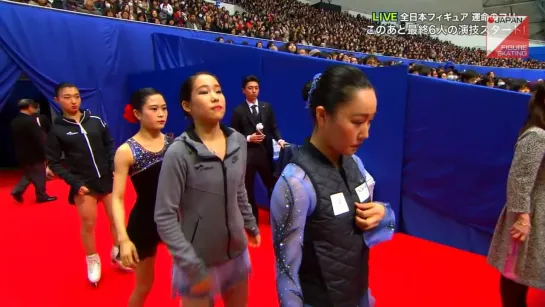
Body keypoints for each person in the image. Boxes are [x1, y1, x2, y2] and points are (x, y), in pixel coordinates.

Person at [271, 65, 395, 307]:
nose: (365, 133)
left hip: (358, 295)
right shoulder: (295, 183)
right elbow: (286, 273)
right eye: (357, 122)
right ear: (322, 115)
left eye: (370, 121)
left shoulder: (355, 165)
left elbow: (370, 233)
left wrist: (383, 214)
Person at [155, 72, 260, 307]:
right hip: (197, 262)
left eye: (218, 90)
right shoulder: (179, 152)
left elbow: (239, 188)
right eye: (204, 92)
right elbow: (164, 216)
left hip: (236, 254)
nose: (215, 97)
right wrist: (190, 265)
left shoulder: (238, 142)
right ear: (186, 106)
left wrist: (250, 224)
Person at [45, 82, 131, 287]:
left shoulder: (96, 120)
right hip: (83, 185)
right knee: (88, 225)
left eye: (76, 96)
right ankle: (92, 260)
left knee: (117, 220)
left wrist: (113, 165)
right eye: (67, 97)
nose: (73, 101)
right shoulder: (57, 130)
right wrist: (74, 182)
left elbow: (109, 144)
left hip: (106, 180)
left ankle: (118, 252)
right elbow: (54, 162)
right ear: (57, 100)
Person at [111, 88, 172, 306]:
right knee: (144, 285)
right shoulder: (126, 151)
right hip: (145, 222)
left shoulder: (173, 144)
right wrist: (123, 240)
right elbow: (117, 198)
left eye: (164, 108)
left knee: (191, 279)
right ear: (137, 114)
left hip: (176, 219)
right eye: (154, 109)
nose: (161, 114)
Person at [487, 82, 545, 307]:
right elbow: (519, 180)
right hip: (532, 213)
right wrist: (522, 216)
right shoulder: (537, 135)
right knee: (516, 270)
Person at [230, 75, 286, 224]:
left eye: (256, 88)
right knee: (248, 188)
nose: (254, 91)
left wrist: (279, 139)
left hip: (265, 153)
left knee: (272, 185)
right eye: (250, 88)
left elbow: (273, 127)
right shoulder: (238, 111)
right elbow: (233, 135)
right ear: (243, 90)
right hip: (247, 155)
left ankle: (277, 215)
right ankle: (252, 219)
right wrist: (248, 138)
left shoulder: (266, 107)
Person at [10, 99, 56, 203]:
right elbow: (39, 138)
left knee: (29, 173)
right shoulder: (31, 121)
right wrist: (45, 153)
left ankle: (18, 190)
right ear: (30, 107)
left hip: (21, 153)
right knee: (40, 174)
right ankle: (41, 195)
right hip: (35, 153)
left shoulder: (14, 121)